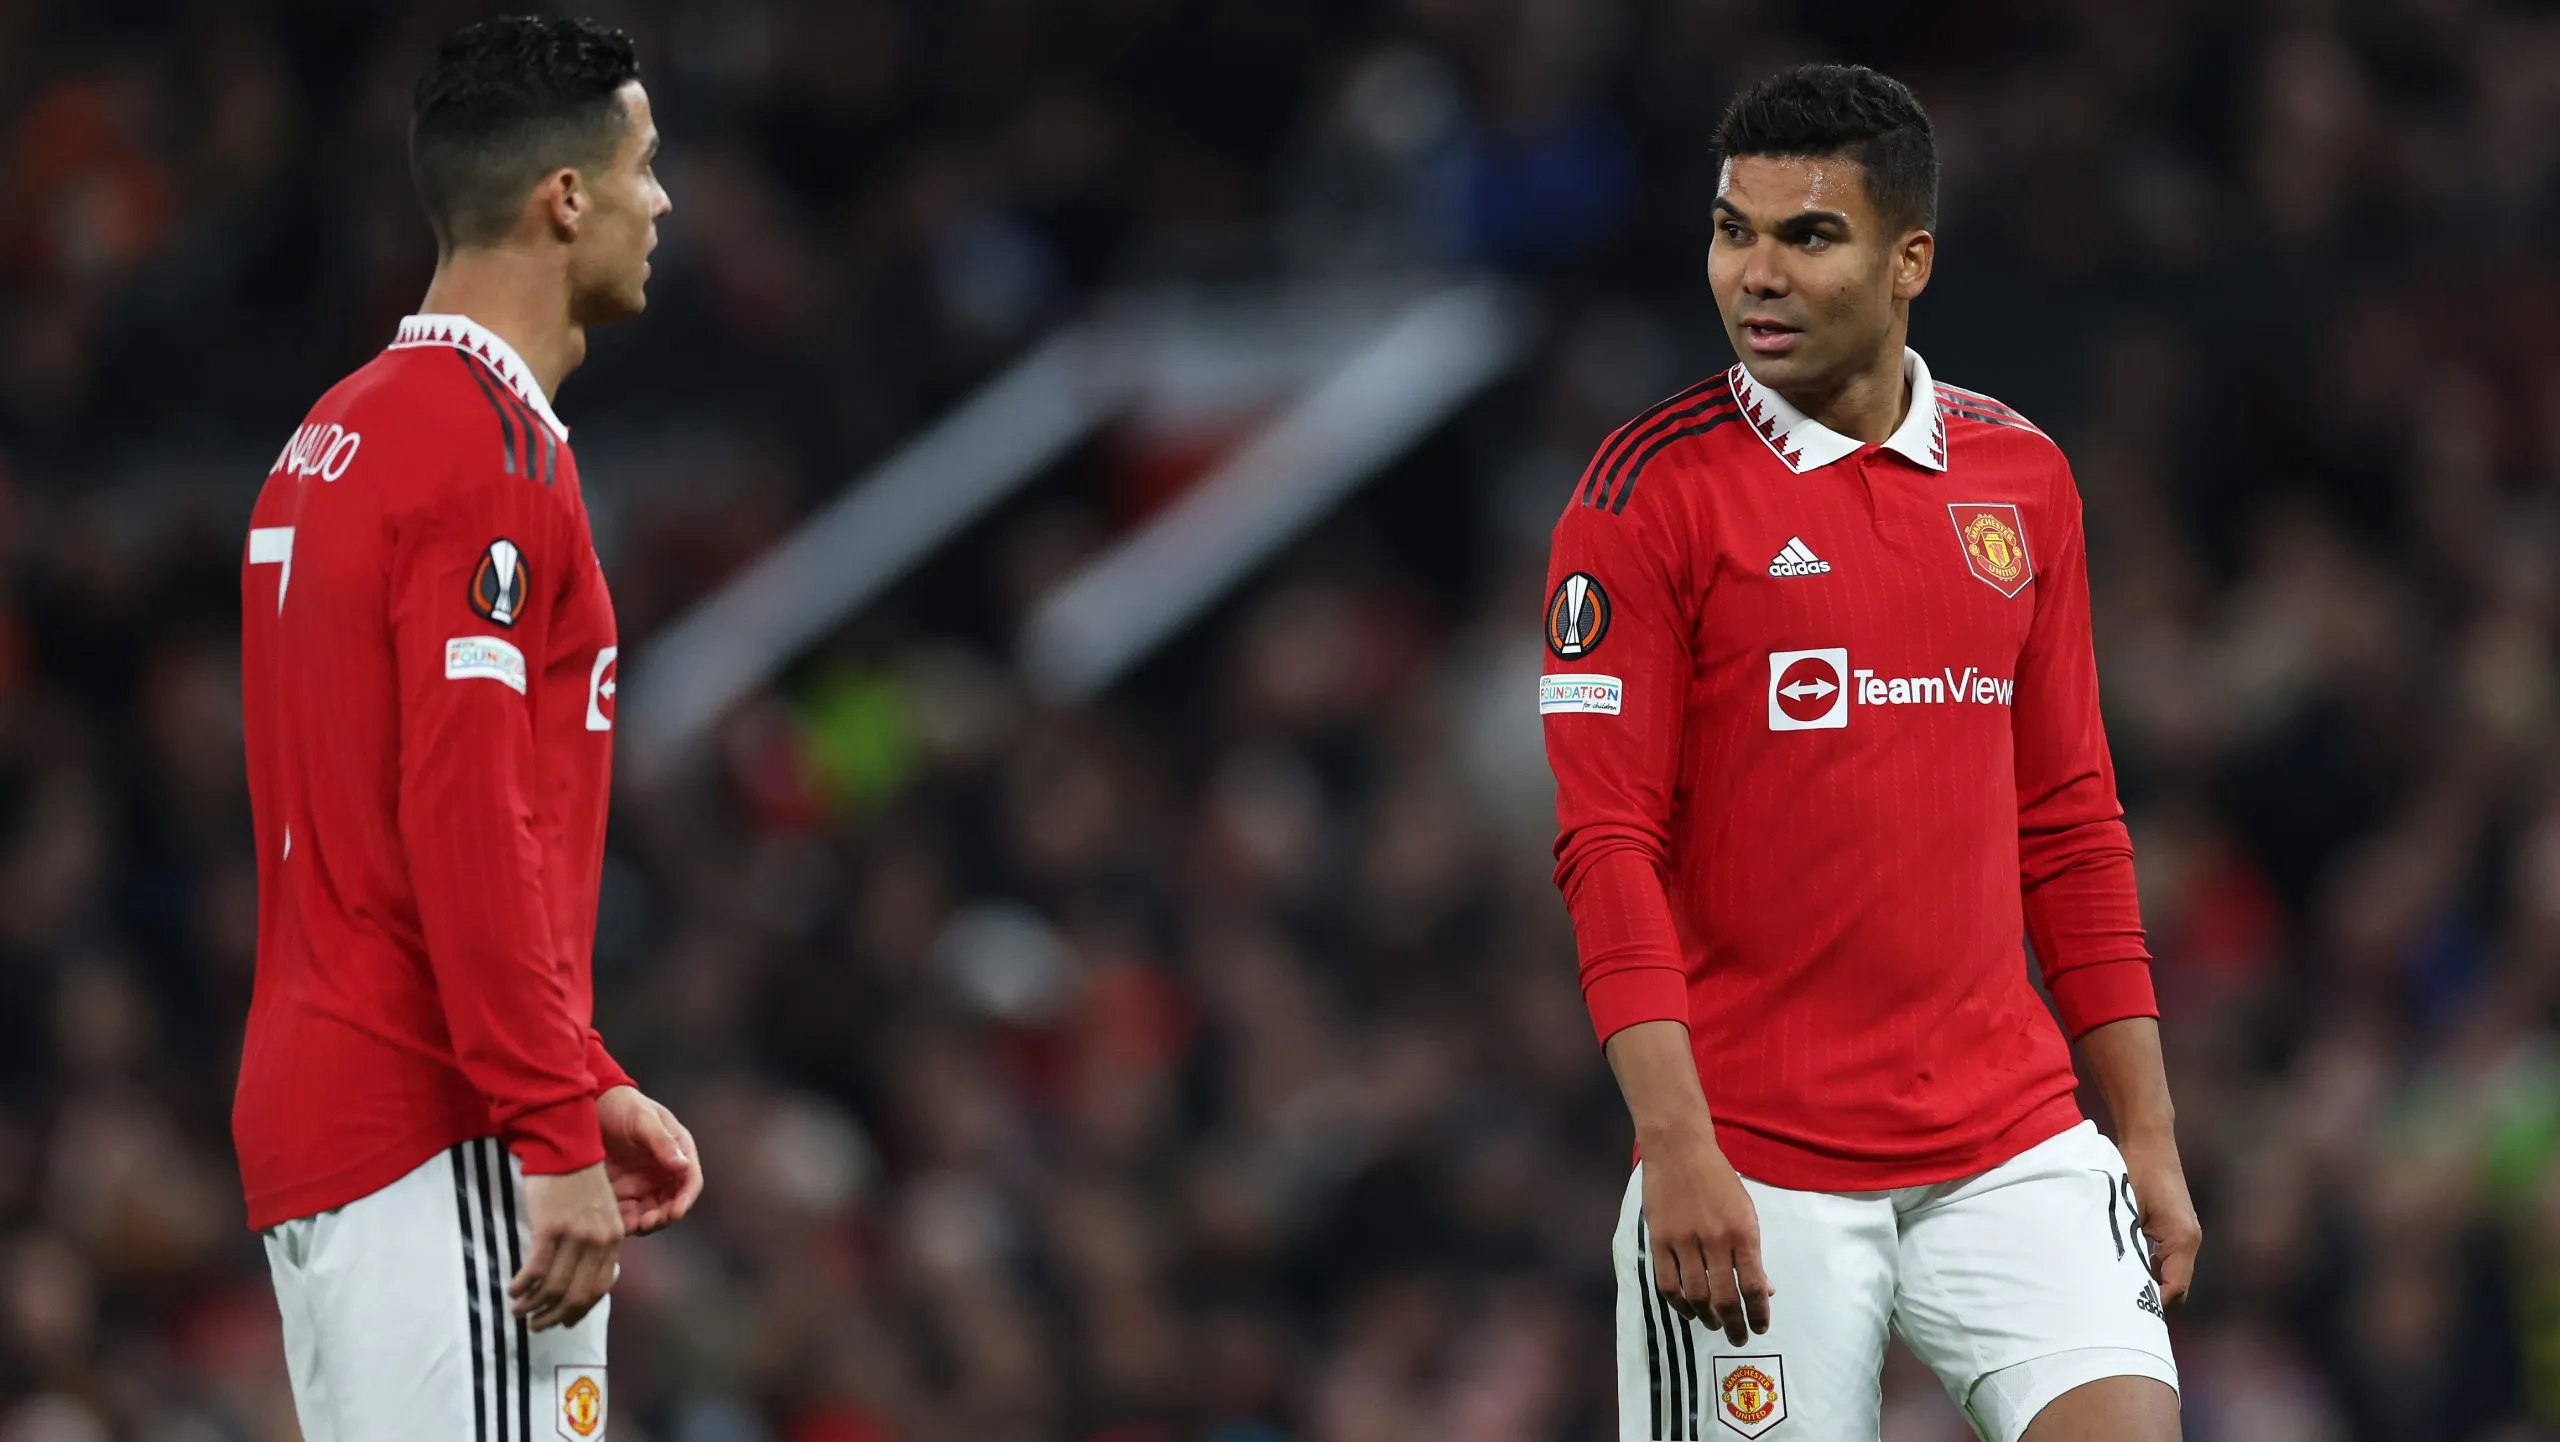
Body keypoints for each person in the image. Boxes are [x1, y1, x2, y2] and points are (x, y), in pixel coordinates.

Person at [1542, 64, 2200, 1442]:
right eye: (1734, 231)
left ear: (1912, 261)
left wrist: (2142, 1125)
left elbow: (2071, 819)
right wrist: (1676, 1142)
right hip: (1757, 1161)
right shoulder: (1644, 496)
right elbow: (1607, 844)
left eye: (1808, 236)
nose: (1756, 275)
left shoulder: (2021, 479)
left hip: (2010, 1140)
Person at [235, 17, 695, 1441]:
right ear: (565, 197)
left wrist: (585, 1068)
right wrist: (548, 1123)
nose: (662, 202)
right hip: (435, 1111)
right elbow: (461, 812)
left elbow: (381, 823)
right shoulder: (484, 455)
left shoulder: (337, 432)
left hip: (344, 1095)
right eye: (645, 165)